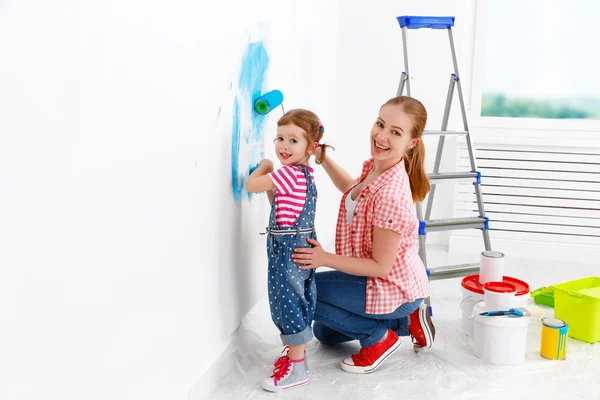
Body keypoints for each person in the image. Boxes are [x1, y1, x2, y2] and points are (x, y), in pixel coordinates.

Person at [291, 95, 435, 374]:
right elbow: (351, 189)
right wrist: (324, 160)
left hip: (390, 286)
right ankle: (405, 322)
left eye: (395, 132)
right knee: (326, 334)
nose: (381, 136)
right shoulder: (375, 167)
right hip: (375, 279)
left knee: (306, 294)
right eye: (380, 124)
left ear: (411, 143)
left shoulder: (391, 194)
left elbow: (381, 267)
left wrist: (324, 258)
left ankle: (379, 338)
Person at [245, 109, 333, 391]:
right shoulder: (305, 175)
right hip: (299, 243)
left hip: (287, 251)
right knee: (300, 299)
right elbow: (279, 205)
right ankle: (296, 355)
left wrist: (264, 166)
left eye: (293, 140)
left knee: (287, 304)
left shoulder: (286, 174)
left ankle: (297, 370)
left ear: (310, 147)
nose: (284, 145)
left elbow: (251, 184)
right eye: (280, 138)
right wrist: (273, 175)